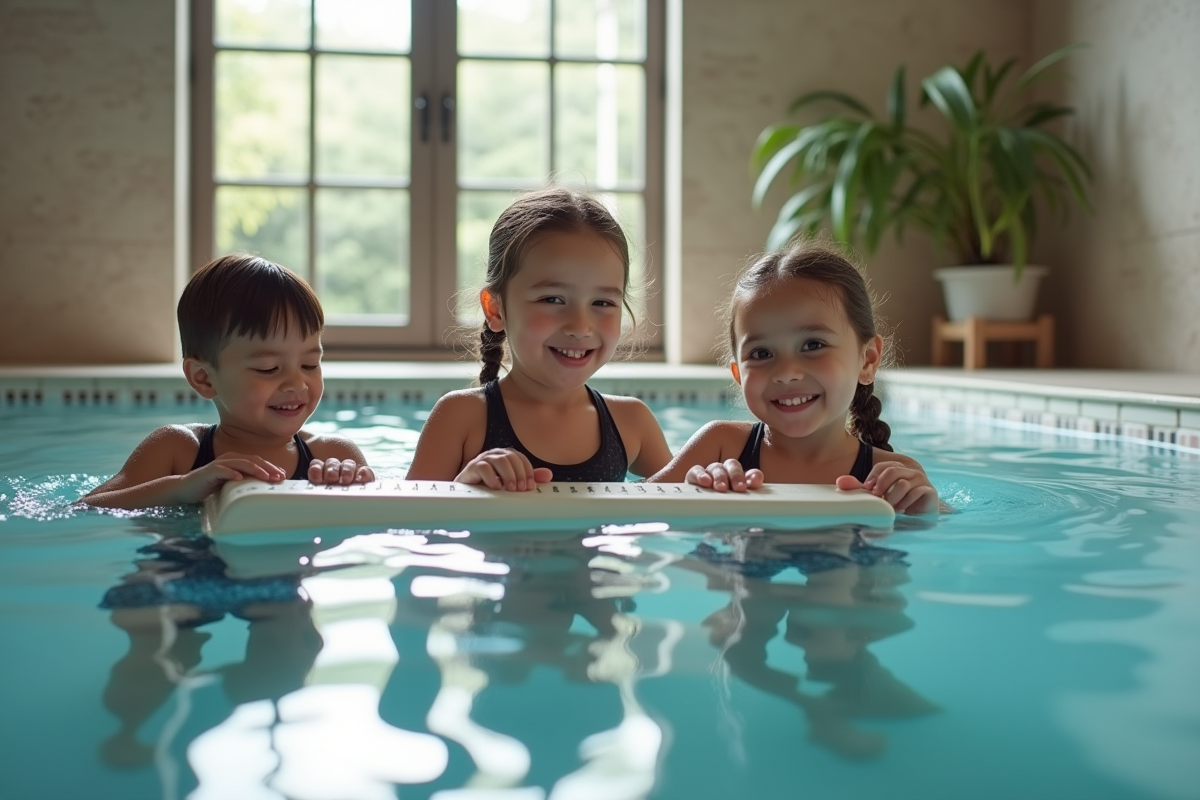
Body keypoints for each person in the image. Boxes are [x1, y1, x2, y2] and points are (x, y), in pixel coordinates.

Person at [406, 187, 671, 489]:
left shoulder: (631, 422)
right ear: (496, 309)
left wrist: (709, 476)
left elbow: (682, 504)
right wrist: (463, 487)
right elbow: (406, 514)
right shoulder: (461, 418)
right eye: (552, 299)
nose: (580, 326)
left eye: (602, 302)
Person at [649, 240, 939, 515]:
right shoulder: (719, 447)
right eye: (762, 353)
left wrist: (923, 514)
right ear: (738, 374)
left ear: (868, 360)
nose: (786, 373)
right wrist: (690, 491)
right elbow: (635, 504)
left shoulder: (894, 477)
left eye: (813, 345)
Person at [83, 254, 374, 509]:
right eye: (269, 368)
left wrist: (351, 486)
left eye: (310, 364)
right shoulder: (177, 450)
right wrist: (181, 488)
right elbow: (85, 509)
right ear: (204, 377)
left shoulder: (333, 455)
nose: (298, 384)